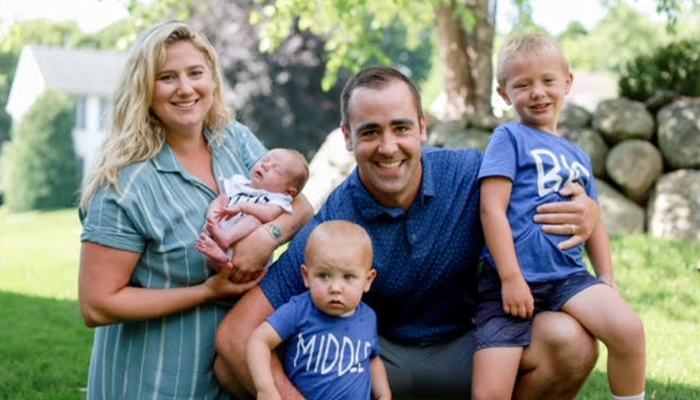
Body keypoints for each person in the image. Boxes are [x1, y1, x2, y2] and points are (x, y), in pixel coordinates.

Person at [214, 66, 601, 400]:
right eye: (370, 132)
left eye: (401, 128)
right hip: (373, 364)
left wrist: (588, 213)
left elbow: (545, 198)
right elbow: (235, 335)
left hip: (473, 348)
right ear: (347, 138)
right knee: (231, 367)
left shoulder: (471, 176)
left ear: (422, 128)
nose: (388, 147)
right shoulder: (335, 222)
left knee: (571, 342)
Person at [77, 21, 312, 400]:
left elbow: (298, 202)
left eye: (195, 73)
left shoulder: (233, 139)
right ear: (144, 88)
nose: (186, 88)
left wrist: (265, 239)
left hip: (231, 377)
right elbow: (98, 305)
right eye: (167, 77)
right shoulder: (124, 184)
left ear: (212, 79)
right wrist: (206, 291)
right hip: (155, 384)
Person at [471, 33, 646, 400]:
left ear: (567, 82)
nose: (538, 92)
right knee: (490, 394)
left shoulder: (578, 156)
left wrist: (608, 278)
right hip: (512, 283)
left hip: (568, 277)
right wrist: (511, 278)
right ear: (504, 94)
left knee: (629, 330)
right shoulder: (509, 138)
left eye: (548, 80)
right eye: (523, 84)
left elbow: (594, 221)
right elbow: (491, 209)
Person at [247, 221, 391, 400]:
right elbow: (258, 340)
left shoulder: (367, 317)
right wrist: (265, 388)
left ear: (368, 280)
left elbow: (373, 358)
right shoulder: (299, 310)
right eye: (324, 275)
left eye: (348, 277)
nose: (336, 288)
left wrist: (384, 395)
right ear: (306, 276)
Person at [196, 148, 309, 267]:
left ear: (288, 192)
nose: (266, 165)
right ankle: (217, 248)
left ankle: (225, 245)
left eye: (276, 170)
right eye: (265, 160)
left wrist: (243, 207)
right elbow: (221, 199)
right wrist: (213, 216)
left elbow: (268, 214)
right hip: (216, 232)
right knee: (218, 204)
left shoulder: (278, 199)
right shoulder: (238, 183)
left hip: (244, 249)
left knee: (254, 219)